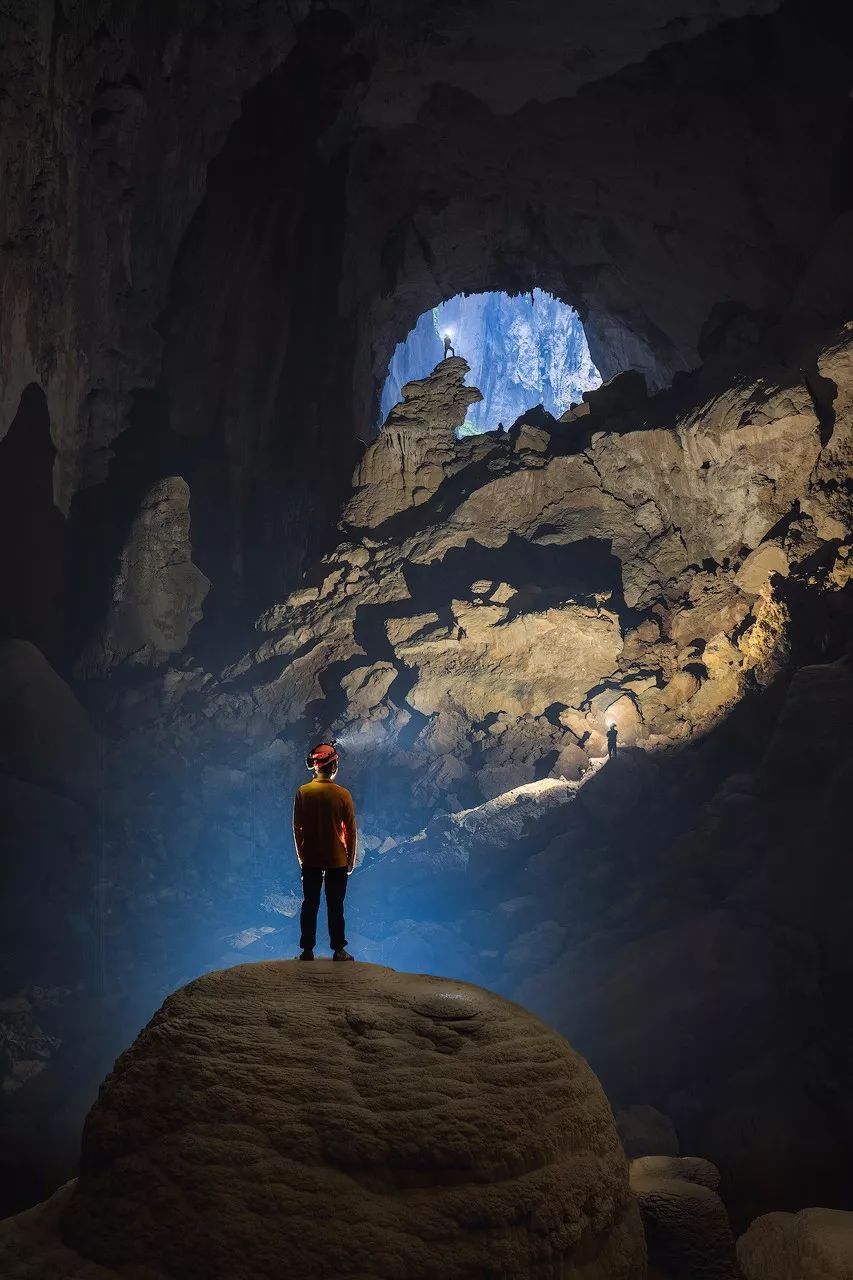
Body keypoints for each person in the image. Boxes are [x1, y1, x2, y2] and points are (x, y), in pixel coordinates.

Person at [293, 742, 357, 961]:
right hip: (336, 859)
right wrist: (350, 860)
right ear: (333, 765)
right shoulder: (343, 795)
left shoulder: (303, 792)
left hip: (310, 858)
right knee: (335, 906)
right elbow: (350, 831)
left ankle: (307, 950)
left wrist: (302, 858)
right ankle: (338, 950)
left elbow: (297, 829)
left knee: (310, 904)